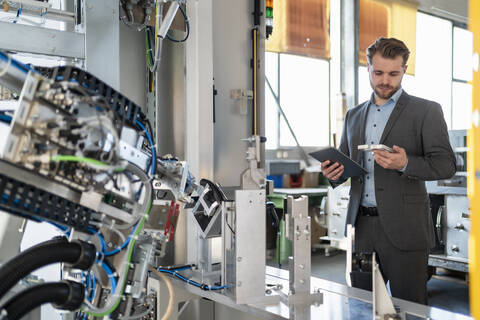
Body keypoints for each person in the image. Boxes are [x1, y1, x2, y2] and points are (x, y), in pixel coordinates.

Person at [321, 37, 456, 304]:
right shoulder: (354, 115)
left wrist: (405, 163)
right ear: (368, 69)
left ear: (404, 70)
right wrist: (334, 173)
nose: (385, 80)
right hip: (361, 229)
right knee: (361, 305)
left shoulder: (426, 111)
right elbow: (347, 164)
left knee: (410, 306)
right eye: (378, 72)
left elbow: (446, 165)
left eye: (394, 74)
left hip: (407, 228)